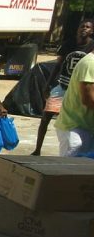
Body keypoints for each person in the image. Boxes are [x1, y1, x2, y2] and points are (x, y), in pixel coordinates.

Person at [35, 19, 94, 155]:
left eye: (88, 27)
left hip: (80, 87)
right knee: (46, 116)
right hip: (63, 85)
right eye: (82, 26)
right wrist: (48, 84)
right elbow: (58, 65)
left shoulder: (91, 46)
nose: (84, 29)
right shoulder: (70, 44)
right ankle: (37, 149)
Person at [55, 50, 94, 157]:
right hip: (74, 127)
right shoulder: (90, 63)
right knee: (68, 169)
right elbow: (88, 99)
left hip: (87, 127)